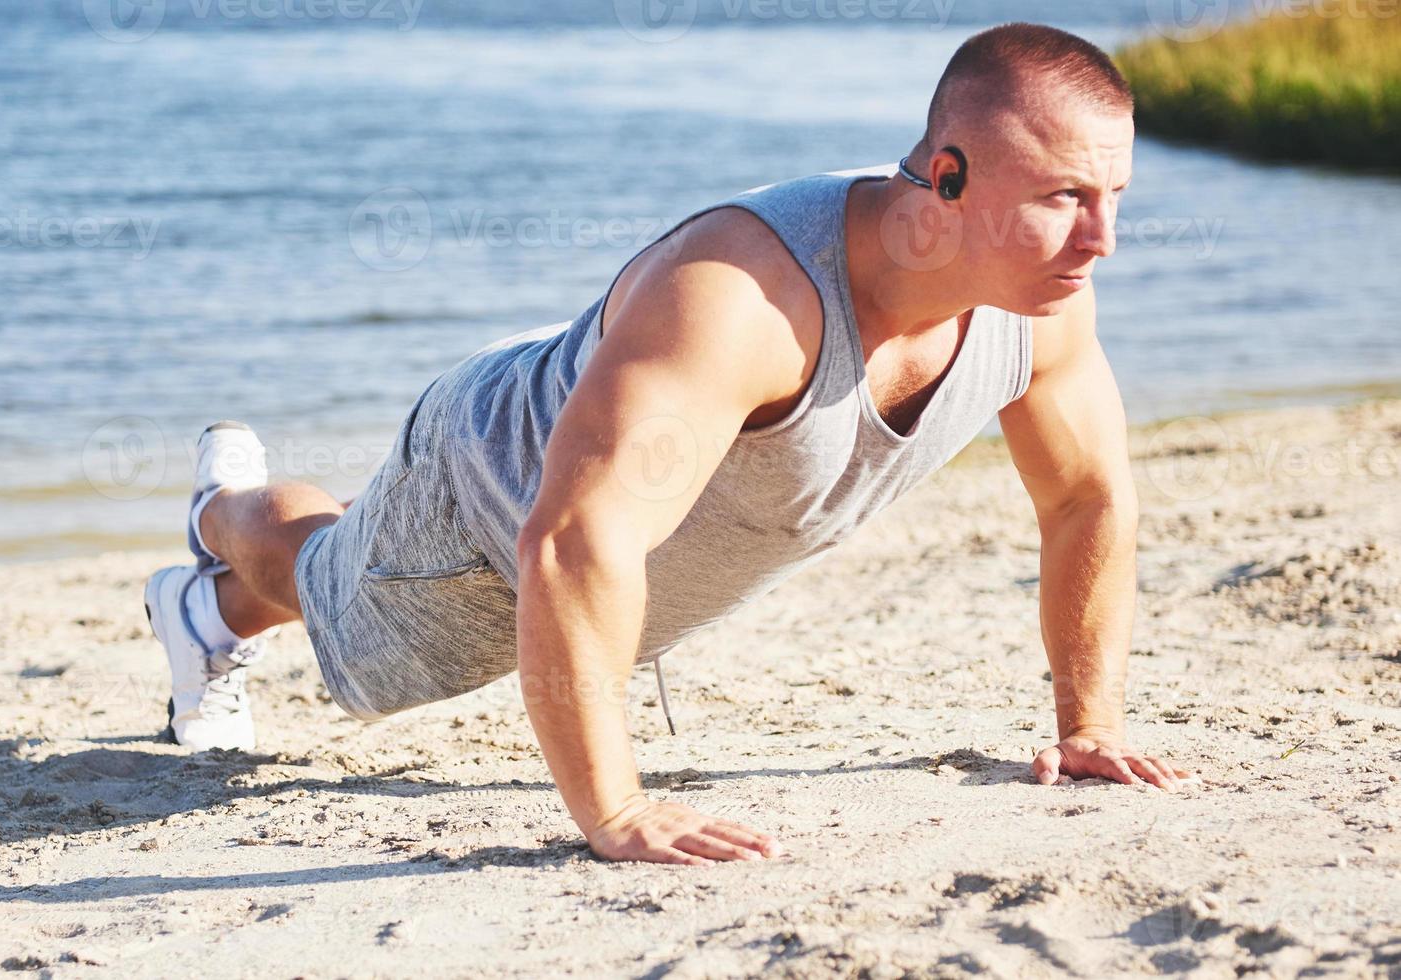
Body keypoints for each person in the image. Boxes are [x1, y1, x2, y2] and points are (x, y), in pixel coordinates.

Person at [142, 21, 1193, 867]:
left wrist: (1087, 721)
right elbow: (572, 539)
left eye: (1115, 198)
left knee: (367, 596)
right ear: (949, 177)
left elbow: (1085, 497)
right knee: (342, 631)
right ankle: (218, 515)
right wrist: (614, 811)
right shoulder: (746, 298)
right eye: (1064, 197)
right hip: (488, 499)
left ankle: (203, 616)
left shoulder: (1043, 300)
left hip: (619, 439)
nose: (1102, 239)